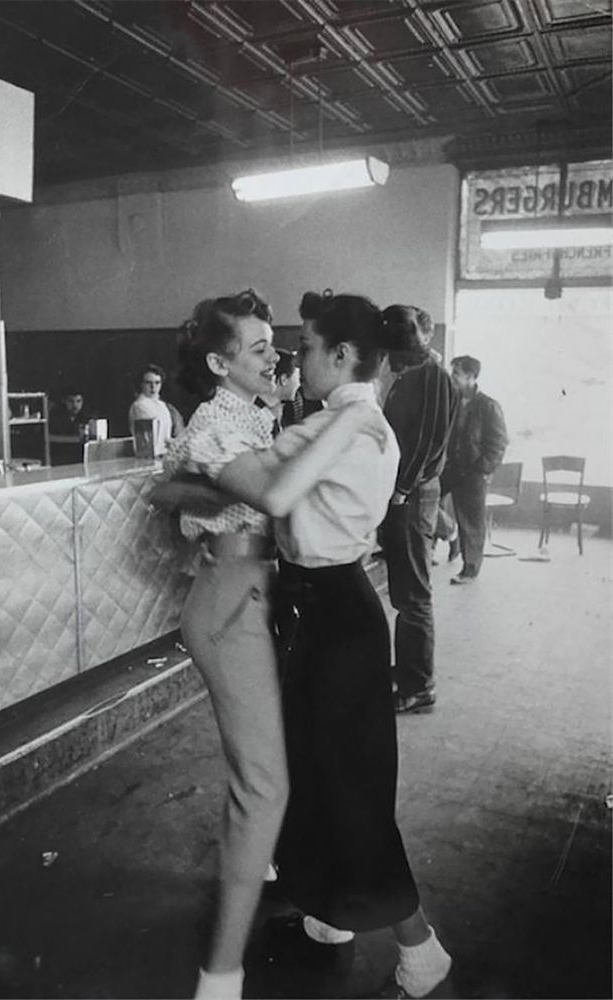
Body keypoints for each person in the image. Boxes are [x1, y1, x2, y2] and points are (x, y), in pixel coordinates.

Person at [154, 289, 385, 1000]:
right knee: (265, 787)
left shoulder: (249, 413)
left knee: (285, 768)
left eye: (277, 344)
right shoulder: (219, 420)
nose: (276, 355)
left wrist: (181, 492)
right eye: (258, 347)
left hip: (261, 597)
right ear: (221, 362)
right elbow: (271, 494)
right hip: (231, 603)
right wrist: (349, 421)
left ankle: (286, 884)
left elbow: (174, 491)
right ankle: (219, 974)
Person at [268, 291, 451, 1000]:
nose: (297, 358)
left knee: (349, 785)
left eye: (306, 346)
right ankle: (330, 912)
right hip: (324, 608)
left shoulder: (344, 424)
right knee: (315, 771)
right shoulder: (349, 419)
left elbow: (267, 489)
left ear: (341, 354)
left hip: (335, 614)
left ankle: (420, 947)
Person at [379, 305, 457, 714]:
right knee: (406, 591)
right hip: (406, 493)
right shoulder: (414, 375)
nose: (389, 360)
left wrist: (402, 490)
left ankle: (419, 686)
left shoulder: (433, 377)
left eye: (393, 352)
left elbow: (428, 443)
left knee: (413, 595)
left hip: (412, 494)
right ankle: (410, 670)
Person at [443, 355, 508, 585]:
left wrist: (482, 468)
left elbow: (499, 443)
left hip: (473, 472)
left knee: (472, 521)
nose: (452, 377)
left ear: (471, 377)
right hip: (450, 468)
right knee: (427, 501)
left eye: (457, 374)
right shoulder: (451, 400)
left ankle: (470, 570)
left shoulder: (488, 406)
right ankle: (450, 535)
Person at [128, 363, 185, 457]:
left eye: (157, 383)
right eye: (148, 383)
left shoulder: (162, 405)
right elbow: (152, 438)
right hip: (149, 457)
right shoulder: (139, 406)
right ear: (141, 384)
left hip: (166, 455)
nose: (153, 387)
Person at [48, 386, 89, 465]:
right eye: (71, 401)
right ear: (64, 401)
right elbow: (49, 438)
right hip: (60, 458)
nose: (75, 405)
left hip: (80, 459)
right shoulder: (56, 417)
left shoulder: (85, 418)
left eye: (78, 401)